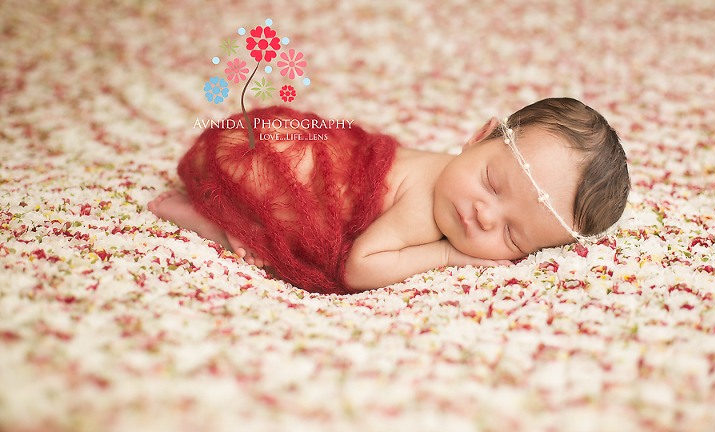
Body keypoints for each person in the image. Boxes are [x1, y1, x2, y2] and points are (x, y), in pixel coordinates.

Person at [148, 97, 630, 293]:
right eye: (492, 183)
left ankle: (217, 206)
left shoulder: (449, 174)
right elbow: (360, 267)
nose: (484, 215)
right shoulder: (427, 213)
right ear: (480, 136)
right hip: (264, 164)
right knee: (288, 233)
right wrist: (443, 255)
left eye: (511, 233)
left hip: (254, 135)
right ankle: (219, 222)